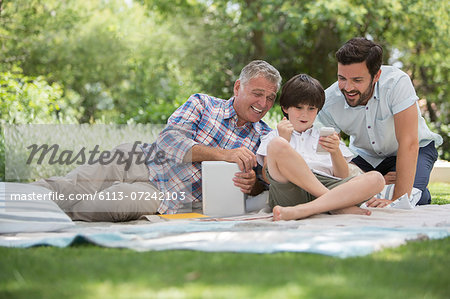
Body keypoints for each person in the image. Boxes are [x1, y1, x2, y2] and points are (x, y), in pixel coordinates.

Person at [33, 60, 282, 222]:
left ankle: (54, 219)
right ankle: (14, 201)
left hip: (167, 195)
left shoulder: (264, 136)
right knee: (71, 185)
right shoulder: (203, 103)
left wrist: (252, 185)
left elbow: (265, 184)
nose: (263, 104)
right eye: (257, 94)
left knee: (111, 201)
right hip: (138, 160)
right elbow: (169, 141)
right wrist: (223, 154)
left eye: (270, 98)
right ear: (238, 87)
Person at [317, 37, 442, 207]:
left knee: (409, 198)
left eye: (357, 80)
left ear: (376, 75)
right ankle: (402, 187)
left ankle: (416, 191)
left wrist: (397, 199)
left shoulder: (397, 83)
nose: (347, 87)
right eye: (342, 78)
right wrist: (376, 180)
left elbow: (409, 142)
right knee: (347, 194)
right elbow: (331, 155)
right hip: (364, 157)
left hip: (414, 149)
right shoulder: (329, 101)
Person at [256, 74, 384, 221]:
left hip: (329, 185)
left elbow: (342, 176)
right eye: (299, 107)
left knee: (376, 178)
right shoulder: (274, 135)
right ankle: (336, 206)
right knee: (277, 144)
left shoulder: (327, 135)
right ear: (285, 108)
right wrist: (283, 139)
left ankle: (304, 210)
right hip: (290, 190)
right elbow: (267, 177)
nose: (305, 114)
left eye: (311, 108)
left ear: (318, 110)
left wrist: (335, 151)